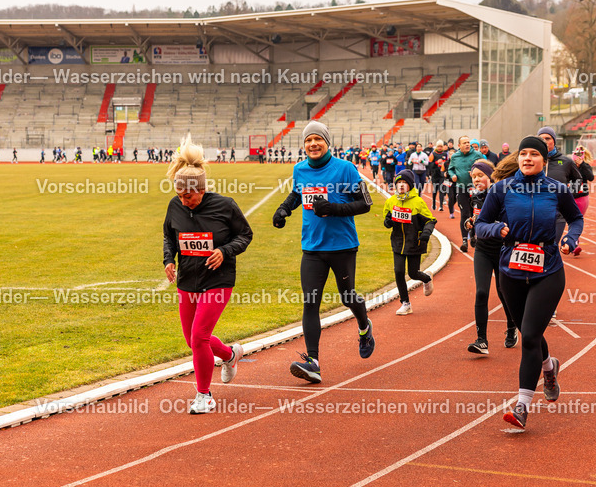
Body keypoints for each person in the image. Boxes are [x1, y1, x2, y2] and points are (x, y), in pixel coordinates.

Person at [474, 136, 583, 430]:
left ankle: (522, 406)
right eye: (524, 153)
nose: (528, 158)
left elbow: (576, 219)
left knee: (530, 336)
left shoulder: (557, 190)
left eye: (534, 153)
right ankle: (549, 367)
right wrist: (497, 228)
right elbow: (480, 226)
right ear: (518, 158)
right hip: (511, 271)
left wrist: (570, 239)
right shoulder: (502, 189)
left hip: (547, 270)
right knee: (527, 330)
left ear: (543, 160)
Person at [272, 120, 376, 383]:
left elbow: (365, 203)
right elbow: (297, 194)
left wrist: (333, 208)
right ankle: (313, 362)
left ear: (327, 142)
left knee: (348, 298)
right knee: (310, 302)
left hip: (342, 246)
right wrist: (284, 209)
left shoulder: (346, 169)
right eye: (308, 140)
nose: (313, 144)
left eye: (317, 139)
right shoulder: (300, 169)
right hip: (312, 248)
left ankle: (364, 327)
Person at [163, 134, 253, 414]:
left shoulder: (225, 206)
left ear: (201, 190)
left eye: (188, 196)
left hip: (218, 280)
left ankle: (204, 395)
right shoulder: (175, 206)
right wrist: (169, 259)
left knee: (200, 337)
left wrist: (224, 251)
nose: (183, 200)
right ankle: (229, 355)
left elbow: (246, 235)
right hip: (187, 280)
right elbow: (169, 235)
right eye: (179, 195)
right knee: (192, 339)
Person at [463, 160, 517, 353]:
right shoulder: (475, 196)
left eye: (480, 176)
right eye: (473, 177)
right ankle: (481, 340)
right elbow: (473, 218)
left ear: (490, 176)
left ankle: (511, 327)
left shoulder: (502, 195)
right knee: (481, 292)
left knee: (504, 292)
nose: (476, 180)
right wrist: (470, 225)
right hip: (483, 250)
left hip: (502, 249)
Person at [383, 172, 436, 315]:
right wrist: (388, 221)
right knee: (399, 272)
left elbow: (430, 220)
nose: (401, 185)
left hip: (415, 242)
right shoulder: (391, 201)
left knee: (413, 274)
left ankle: (427, 278)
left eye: (405, 183)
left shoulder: (418, 202)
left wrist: (426, 233)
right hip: (398, 242)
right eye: (398, 183)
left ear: (410, 185)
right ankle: (405, 303)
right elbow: (386, 221)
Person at [447, 137, 484, 250]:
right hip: (461, 187)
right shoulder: (455, 156)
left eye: (468, 142)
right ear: (459, 145)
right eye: (465, 143)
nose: (467, 145)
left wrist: (476, 172)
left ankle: (473, 236)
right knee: (464, 213)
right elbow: (450, 169)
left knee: (475, 213)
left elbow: (485, 167)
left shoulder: (477, 155)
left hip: (475, 188)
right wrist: (452, 175)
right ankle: (464, 241)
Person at [568, 145, 595, 256]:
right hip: (570, 197)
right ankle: (573, 242)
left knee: (576, 220)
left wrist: (583, 164)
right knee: (570, 221)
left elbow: (591, 177)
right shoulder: (569, 166)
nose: (577, 157)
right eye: (576, 154)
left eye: (580, 155)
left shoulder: (586, 166)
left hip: (582, 197)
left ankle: (574, 243)